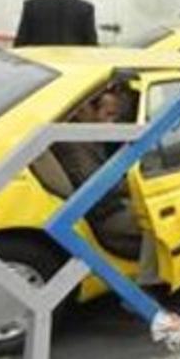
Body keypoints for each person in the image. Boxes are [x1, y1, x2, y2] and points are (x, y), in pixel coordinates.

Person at [51, 88, 142, 258]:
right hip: (107, 216)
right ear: (84, 111)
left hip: (113, 206)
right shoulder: (74, 145)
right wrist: (137, 182)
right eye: (108, 114)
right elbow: (98, 187)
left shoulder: (89, 139)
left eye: (115, 117)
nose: (112, 123)